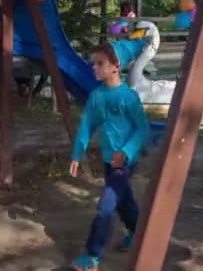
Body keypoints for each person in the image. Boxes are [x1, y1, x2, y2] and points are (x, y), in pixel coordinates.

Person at [69, 43, 150, 270]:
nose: (94, 67)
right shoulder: (96, 96)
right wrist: (77, 154)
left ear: (116, 66)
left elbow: (142, 128)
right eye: (93, 63)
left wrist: (126, 153)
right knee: (124, 202)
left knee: (106, 206)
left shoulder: (129, 97)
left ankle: (92, 256)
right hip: (108, 161)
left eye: (100, 63)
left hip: (124, 163)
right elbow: (86, 126)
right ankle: (138, 233)